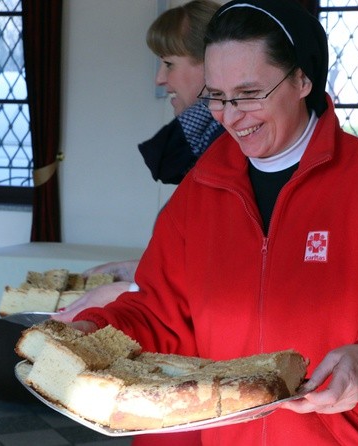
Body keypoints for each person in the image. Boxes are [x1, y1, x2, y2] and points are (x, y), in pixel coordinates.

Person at [70, 1, 358, 444]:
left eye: (249, 93)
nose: (230, 116)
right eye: (216, 96)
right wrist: (93, 332)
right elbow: (158, 314)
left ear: (301, 80)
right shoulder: (200, 192)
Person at [54, 0, 223, 323]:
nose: (160, 79)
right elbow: (195, 262)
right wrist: (135, 271)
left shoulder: (229, 153)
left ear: (211, 64)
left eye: (169, 63)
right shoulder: (208, 145)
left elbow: (224, 277)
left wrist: (128, 291)